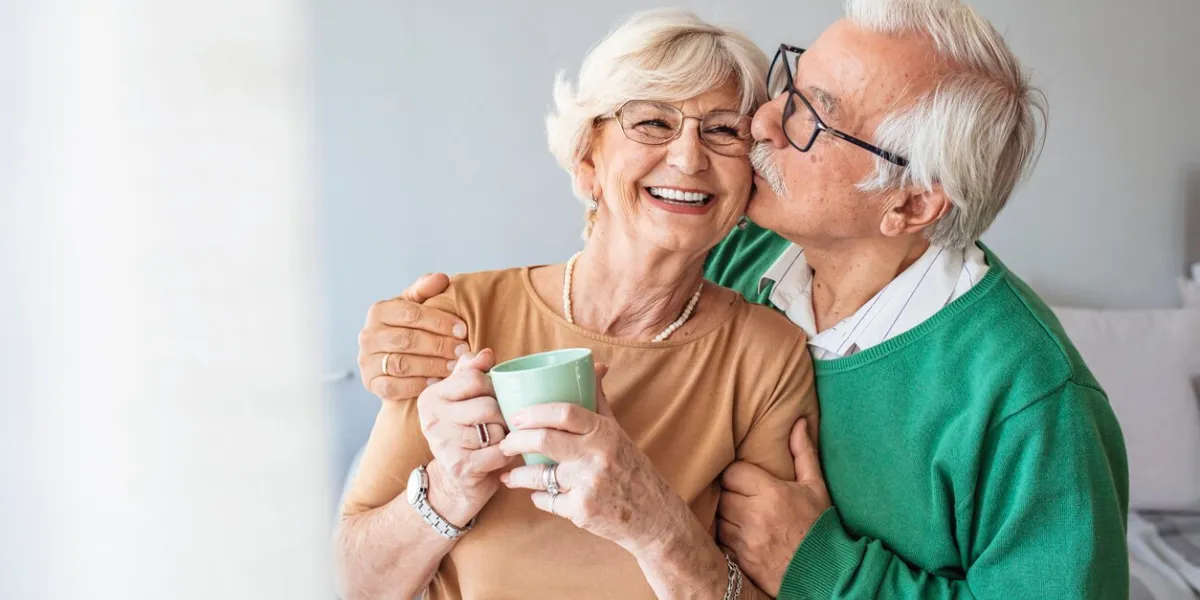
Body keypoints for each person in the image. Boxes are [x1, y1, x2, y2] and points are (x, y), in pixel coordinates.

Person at [357, 0, 1132, 598]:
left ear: (911, 205)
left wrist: (822, 568)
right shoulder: (739, 247)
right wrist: (401, 340)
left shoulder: (1030, 398)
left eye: (812, 117)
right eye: (790, 83)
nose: (761, 121)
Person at [334, 9, 818, 600]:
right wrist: (449, 488)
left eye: (723, 131)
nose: (689, 159)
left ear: (750, 179)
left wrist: (654, 523)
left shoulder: (768, 355)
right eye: (652, 123)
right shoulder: (460, 315)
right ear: (588, 161)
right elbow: (351, 583)